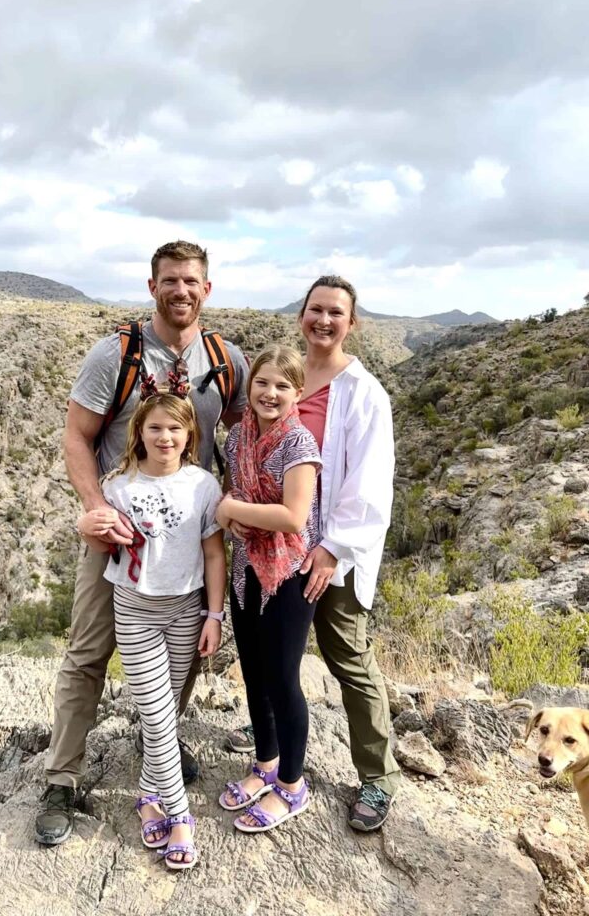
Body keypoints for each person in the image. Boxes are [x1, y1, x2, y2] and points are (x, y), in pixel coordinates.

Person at [36, 240, 248, 846]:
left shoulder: (226, 359)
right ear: (152, 285)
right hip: (121, 536)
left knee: (183, 653)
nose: (181, 291)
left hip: (191, 535)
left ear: (208, 289)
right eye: (170, 280)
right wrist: (96, 508)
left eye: (192, 282)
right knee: (88, 652)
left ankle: (160, 743)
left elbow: (243, 432)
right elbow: (77, 437)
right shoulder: (117, 354)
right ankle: (63, 778)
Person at [225, 276, 400, 833]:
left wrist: (332, 550)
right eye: (315, 310)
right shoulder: (290, 378)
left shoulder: (363, 392)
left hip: (333, 552)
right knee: (271, 660)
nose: (324, 321)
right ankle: (270, 755)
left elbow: (371, 482)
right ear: (302, 315)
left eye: (336, 313)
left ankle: (376, 777)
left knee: (347, 657)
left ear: (353, 324)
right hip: (268, 555)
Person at [79, 381, 226, 870]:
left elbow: (213, 553)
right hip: (135, 609)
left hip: (186, 610)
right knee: (156, 715)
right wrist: (87, 527)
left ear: (190, 436)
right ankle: (181, 817)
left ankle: (148, 795)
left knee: (166, 714)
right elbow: (102, 544)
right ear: (138, 433)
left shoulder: (205, 486)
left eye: (175, 429)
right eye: (155, 428)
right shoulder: (116, 488)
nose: (165, 437)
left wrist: (214, 614)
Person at [215, 346, 321, 833]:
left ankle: (293, 785)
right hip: (246, 570)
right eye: (262, 383)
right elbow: (236, 493)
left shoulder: (299, 444)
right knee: (254, 674)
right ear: (250, 386)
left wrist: (230, 511)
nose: (270, 393)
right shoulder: (237, 436)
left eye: (282, 386)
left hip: (288, 574)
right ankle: (265, 763)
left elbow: (292, 516)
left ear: (297, 393)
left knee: (282, 678)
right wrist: (232, 515)